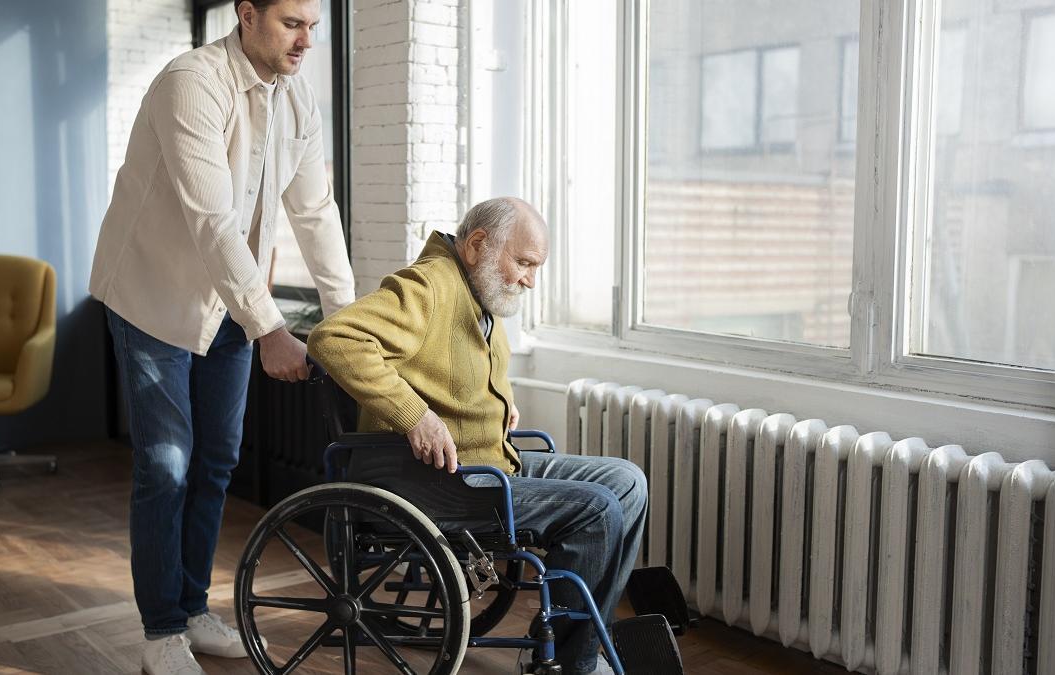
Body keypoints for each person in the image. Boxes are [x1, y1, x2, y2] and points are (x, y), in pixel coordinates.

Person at [88, 1, 354, 673]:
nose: (306, 40)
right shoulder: (192, 83)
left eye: (314, 26)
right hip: (154, 299)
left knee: (214, 462)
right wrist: (272, 329)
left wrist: (346, 321)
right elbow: (213, 223)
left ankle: (191, 608)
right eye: (292, 23)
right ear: (247, 14)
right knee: (166, 466)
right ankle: (160, 631)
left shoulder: (297, 99)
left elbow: (315, 212)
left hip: (233, 304)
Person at [308, 197, 648, 675]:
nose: (530, 280)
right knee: (595, 509)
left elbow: (462, 367)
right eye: (524, 263)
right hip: (434, 477)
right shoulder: (428, 285)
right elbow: (334, 338)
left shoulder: (480, 294)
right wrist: (414, 416)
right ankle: (575, 663)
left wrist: (503, 402)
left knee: (627, 481)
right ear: (477, 245)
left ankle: (587, 638)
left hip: (488, 458)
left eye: (535, 267)